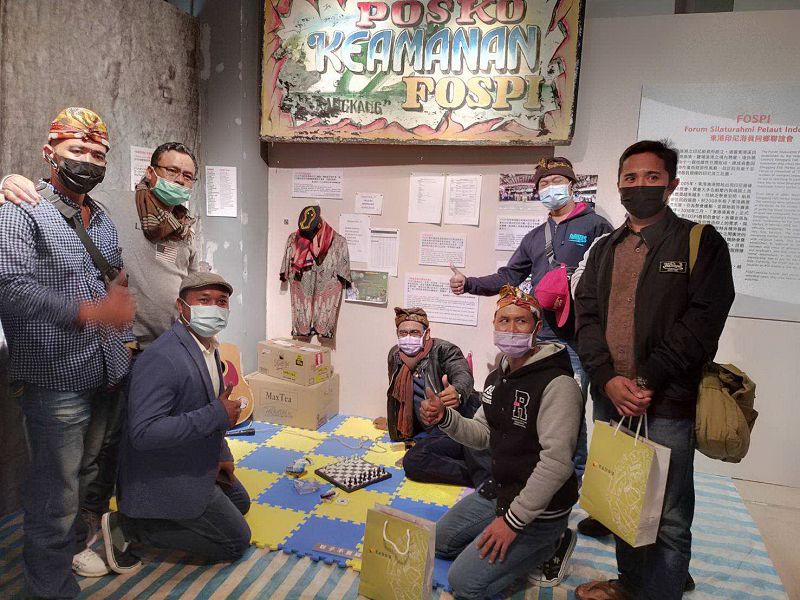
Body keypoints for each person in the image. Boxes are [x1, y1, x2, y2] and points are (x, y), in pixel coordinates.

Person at [2, 141, 202, 557]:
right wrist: (9, 181)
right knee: (77, 462)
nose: (179, 181)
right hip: (106, 350)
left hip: (152, 352)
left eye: (188, 176)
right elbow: (50, 198)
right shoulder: (113, 205)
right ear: (151, 172)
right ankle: (77, 535)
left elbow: (188, 278)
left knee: (121, 444)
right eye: (172, 171)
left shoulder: (185, 224)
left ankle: (116, 517)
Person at [573, 140, 735, 600]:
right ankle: (631, 584)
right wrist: (607, 378)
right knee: (623, 501)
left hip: (666, 402)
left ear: (671, 184)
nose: (640, 185)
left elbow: (702, 321)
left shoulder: (699, 242)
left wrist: (646, 380)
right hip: (611, 399)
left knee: (668, 515)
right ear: (619, 184)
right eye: (631, 177)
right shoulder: (605, 248)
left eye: (652, 177)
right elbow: (586, 317)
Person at [0, 107, 137, 598]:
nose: (88, 161)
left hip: (105, 371)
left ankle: (73, 552)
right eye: (77, 150)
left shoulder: (102, 218)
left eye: (98, 154)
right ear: (49, 153)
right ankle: (49, 587)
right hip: (53, 379)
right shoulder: (20, 208)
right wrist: (89, 312)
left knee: (87, 480)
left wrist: (119, 322)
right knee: (54, 495)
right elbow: (10, 288)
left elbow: (114, 277)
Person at [450, 157, 615, 562]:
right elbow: (509, 276)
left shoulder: (596, 226)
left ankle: (562, 512)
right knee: (527, 418)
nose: (550, 188)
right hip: (540, 338)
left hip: (580, 340)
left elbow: (610, 282)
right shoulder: (535, 236)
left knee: (572, 427)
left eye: (557, 180)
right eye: (544, 183)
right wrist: (469, 284)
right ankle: (525, 494)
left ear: (572, 185)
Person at [419, 286, 582, 599]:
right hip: (501, 490)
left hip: (541, 511)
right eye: (504, 320)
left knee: (464, 583)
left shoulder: (558, 384)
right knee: (438, 541)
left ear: (536, 327)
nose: (511, 329)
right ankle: (501, 537)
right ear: (494, 325)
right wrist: (444, 417)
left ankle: (553, 543)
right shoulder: (499, 376)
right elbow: (482, 434)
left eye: (521, 321)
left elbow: (557, 463)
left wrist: (511, 523)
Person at [103, 272, 251, 573]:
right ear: (182, 306)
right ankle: (129, 527)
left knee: (240, 503)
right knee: (235, 541)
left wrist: (221, 454)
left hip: (195, 456)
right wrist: (216, 415)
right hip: (162, 471)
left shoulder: (209, 347)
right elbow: (144, 433)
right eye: (204, 300)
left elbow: (210, 406)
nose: (214, 308)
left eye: (221, 302)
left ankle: (174, 512)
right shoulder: (163, 357)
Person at [388, 307, 491, 488]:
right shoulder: (395, 355)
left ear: (427, 333)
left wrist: (457, 392)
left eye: (414, 332)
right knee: (416, 459)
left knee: (416, 460)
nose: (408, 338)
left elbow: (463, 374)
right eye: (403, 333)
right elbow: (398, 398)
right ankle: (477, 468)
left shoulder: (444, 350)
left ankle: (484, 475)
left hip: (461, 419)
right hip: (434, 430)